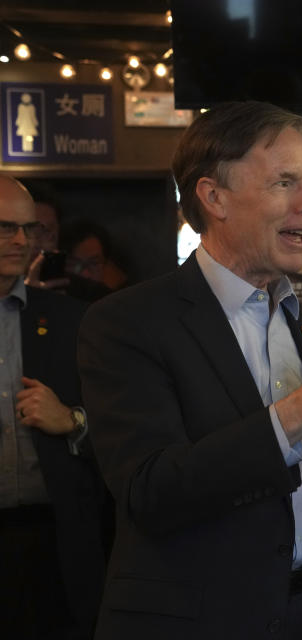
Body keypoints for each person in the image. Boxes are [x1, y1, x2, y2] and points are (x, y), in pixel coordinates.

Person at [77, 101, 302, 640]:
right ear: (214, 197)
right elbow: (149, 491)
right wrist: (296, 414)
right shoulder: (125, 321)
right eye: (285, 183)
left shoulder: (292, 317)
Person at [0, 175, 109, 639]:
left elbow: (123, 429)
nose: (22, 240)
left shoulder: (71, 320)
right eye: (6, 227)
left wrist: (71, 421)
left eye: (30, 229)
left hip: (57, 546)